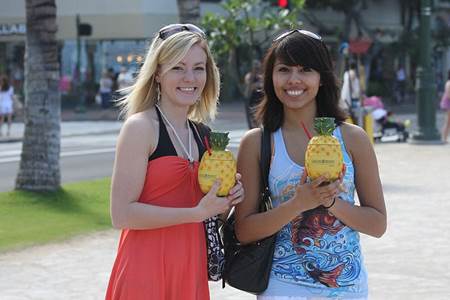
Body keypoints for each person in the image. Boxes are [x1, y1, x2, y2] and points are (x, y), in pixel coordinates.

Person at [235, 29, 387, 299]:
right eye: (284, 69)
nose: (294, 79)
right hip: (281, 288)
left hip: (346, 289)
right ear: (271, 77)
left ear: (322, 78)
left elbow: (377, 224)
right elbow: (244, 231)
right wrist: (298, 203)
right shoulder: (257, 143)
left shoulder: (353, 139)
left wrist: (331, 202)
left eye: (305, 69)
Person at [105, 24, 244, 300]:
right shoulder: (141, 128)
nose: (189, 77)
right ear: (157, 73)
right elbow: (121, 214)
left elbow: (210, 217)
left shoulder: (204, 136)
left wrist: (226, 202)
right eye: (178, 68)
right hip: (144, 271)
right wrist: (195, 213)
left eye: (198, 68)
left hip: (189, 270)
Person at [244, 59, 264, 128]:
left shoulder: (262, 76)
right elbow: (250, 86)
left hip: (260, 100)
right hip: (251, 100)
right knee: (252, 120)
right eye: (255, 66)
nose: (257, 68)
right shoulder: (249, 76)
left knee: (259, 119)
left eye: (258, 66)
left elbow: (263, 85)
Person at [440, 69, 450, 143]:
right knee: (447, 122)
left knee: (448, 122)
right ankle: (444, 138)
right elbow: (449, 95)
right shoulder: (449, 83)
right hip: (448, 104)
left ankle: (444, 138)